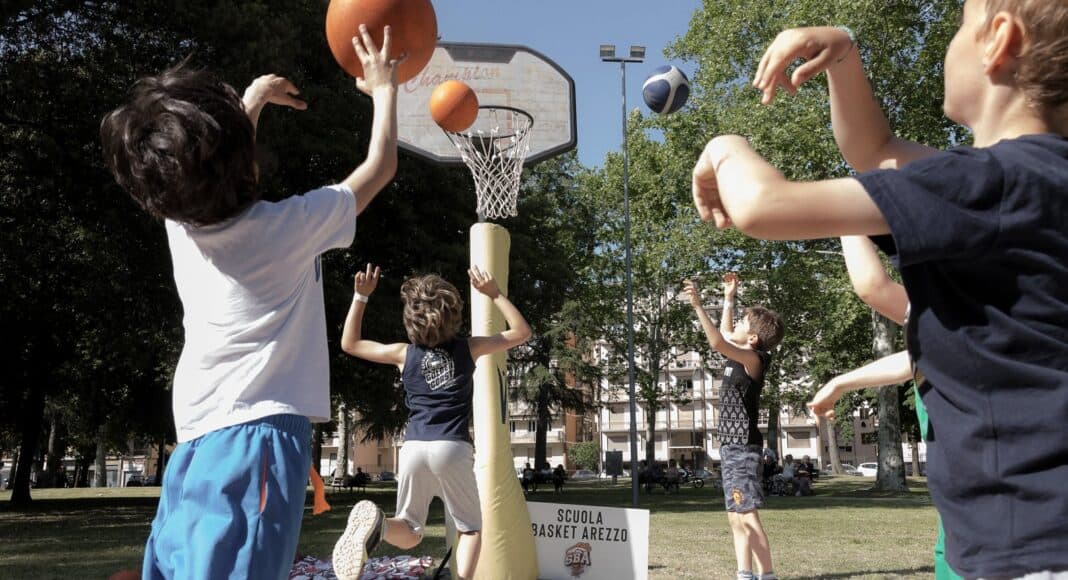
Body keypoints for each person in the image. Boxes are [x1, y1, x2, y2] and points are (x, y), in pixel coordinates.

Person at [693, 3, 1068, 576]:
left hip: (1030, 545)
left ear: (999, 39)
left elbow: (762, 205)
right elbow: (875, 152)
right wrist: (844, 57)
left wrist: (723, 148)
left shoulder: (981, 184)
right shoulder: (1034, 184)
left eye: (959, 26)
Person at [99, 25, 401, 580]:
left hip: (194, 439)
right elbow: (380, 166)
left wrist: (251, 102)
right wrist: (385, 88)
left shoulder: (179, 224)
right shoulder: (288, 227)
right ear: (245, 161)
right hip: (258, 438)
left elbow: (212, 170)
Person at [333, 263, 531, 580]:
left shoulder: (403, 353)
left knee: (410, 530)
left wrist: (361, 296)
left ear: (410, 320)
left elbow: (350, 344)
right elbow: (522, 332)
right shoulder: (470, 348)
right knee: (470, 529)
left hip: (413, 447)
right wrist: (494, 294)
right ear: (453, 315)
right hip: (452, 446)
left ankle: (380, 526)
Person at [808, 236, 961, 580]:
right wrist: (840, 383)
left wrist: (850, 211)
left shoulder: (984, 313)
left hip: (995, 518)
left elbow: (873, 288)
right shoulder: (954, 323)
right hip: (959, 518)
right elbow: (917, 354)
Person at [685, 272, 785, 580]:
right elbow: (727, 334)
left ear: (753, 339)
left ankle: (767, 575)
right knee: (735, 517)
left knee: (748, 516)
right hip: (731, 447)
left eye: (743, 323)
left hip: (743, 448)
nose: (737, 325)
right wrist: (729, 298)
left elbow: (717, 340)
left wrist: (698, 306)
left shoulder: (755, 360)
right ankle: (745, 573)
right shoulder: (740, 353)